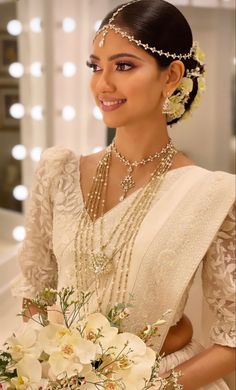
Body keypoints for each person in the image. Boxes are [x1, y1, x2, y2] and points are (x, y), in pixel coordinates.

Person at [13, 0, 235, 388]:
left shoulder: (211, 194)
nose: (103, 84)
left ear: (171, 76)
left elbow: (231, 340)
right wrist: (54, 367)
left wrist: (144, 386)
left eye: (124, 65)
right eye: (96, 66)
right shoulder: (59, 172)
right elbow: (34, 296)